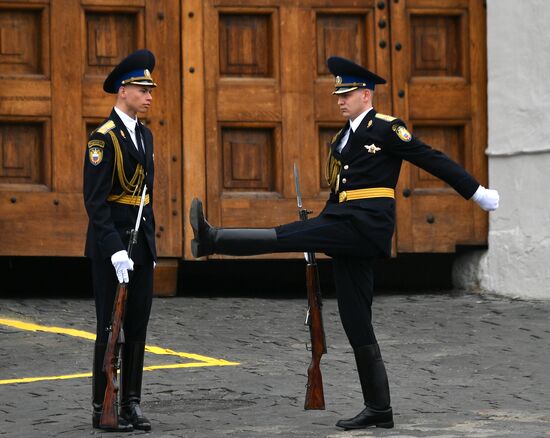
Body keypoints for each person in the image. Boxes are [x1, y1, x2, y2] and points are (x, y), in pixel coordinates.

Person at [189, 56, 499, 430]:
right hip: (342, 223)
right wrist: (321, 221)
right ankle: (379, 409)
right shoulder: (340, 139)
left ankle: (212, 239)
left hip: (366, 226)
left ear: (366, 95)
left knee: (288, 235)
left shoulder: (386, 129)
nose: (340, 99)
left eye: (347, 93)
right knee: (355, 319)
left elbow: (431, 159)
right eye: (339, 93)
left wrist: (476, 193)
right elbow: (339, 194)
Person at [83, 49, 158, 432]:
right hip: (112, 249)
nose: (149, 96)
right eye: (142, 88)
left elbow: (146, 198)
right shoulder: (103, 139)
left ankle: (131, 402)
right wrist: (114, 251)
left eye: (150, 89)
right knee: (110, 329)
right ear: (123, 89)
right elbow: (96, 204)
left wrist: (151, 250)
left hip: (140, 248)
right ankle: (102, 405)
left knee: (138, 327)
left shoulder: (145, 136)